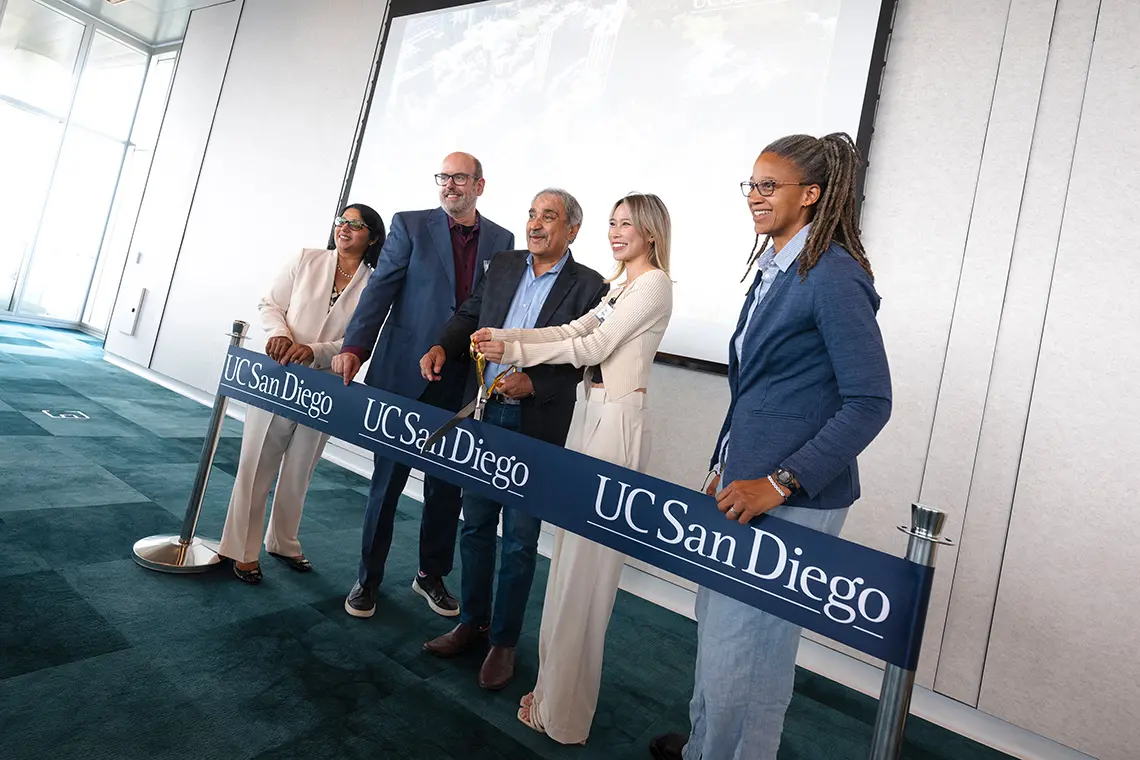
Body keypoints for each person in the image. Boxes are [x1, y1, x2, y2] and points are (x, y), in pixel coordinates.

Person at [649, 133, 893, 760]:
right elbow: (762, 388)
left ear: (811, 195)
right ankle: (710, 745)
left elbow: (869, 401)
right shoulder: (775, 263)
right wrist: (722, 465)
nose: (755, 197)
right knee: (722, 635)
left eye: (769, 186)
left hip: (791, 496)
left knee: (749, 653)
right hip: (741, 484)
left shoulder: (834, 276)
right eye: (750, 185)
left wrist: (780, 482)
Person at [473, 192, 673, 745]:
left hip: (618, 426)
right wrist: (507, 340)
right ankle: (556, 692)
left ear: (651, 232)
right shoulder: (620, 286)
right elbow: (568, 332)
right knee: (568, 561)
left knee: (588, 571)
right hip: (592, 418)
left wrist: (514, 351)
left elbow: (595, 346)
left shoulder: (654, 283)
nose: (615, 232)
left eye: (627, 224)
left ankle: (566, 714)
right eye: (611, 223)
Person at [418, 189, 607, 691]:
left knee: (521, 539)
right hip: (482, 414)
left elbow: (588, 355)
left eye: (550, 216)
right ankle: (472, 622)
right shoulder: (501, 264)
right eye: (532, 214)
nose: (536, 224)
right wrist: (442, 343)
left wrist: (536, 382)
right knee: (476, 524)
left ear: (572, 230)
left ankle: (503, 641)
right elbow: (469, 314)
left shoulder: (590, 285)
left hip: (535, 424)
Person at [333, 152, 515, 619]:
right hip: (402, 375)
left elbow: (494, 309)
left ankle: (430, 576)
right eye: (444, 177)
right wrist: (356, 346)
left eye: (459, 178)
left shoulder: (503, 240)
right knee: (386, 484)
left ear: (480, 184)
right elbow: (381, 290)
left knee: (445, 488)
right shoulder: (409, 225)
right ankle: (367, 579)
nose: (450, 185)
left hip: (460, 381)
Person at [219, 204, 386, 583]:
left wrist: (319, 351)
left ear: (373, 237)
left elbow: (364, 337)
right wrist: (279, 334)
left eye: (356, 225)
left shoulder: (375, 283)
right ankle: (241, 549)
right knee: (257, 461)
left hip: (327, 384)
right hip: (280, 374)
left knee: (300, 468)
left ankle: (282, 540)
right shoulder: (306, 258)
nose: (345, 228)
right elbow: (271, 304)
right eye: (342, 221)